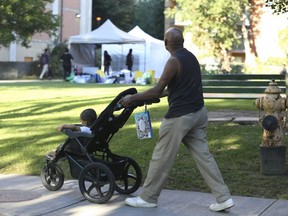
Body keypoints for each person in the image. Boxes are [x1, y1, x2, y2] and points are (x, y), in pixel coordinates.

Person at [119, 27, 234, 212]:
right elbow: (178, 87)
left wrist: (132, 98)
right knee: (204, 157)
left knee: (161, 157)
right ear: (183, 41)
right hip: (199, 113)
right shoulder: (191, 57)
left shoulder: (173, 61)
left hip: (180, 116)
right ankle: (224, 198)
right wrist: (159, 95)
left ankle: (148, 198)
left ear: (166, 43)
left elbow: (157, 90)